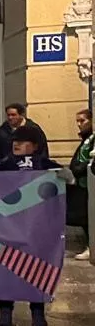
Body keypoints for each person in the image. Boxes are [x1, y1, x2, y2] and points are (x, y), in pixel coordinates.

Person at [0, 124, 63, 326]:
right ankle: (6, 310)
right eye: (14, 141)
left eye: (22, 141)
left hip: (37, 227)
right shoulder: (8, 163)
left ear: (35, 146)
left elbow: (58, 174)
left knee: (37, 268)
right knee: (7, 266)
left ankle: (37, 311)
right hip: (11, 226)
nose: (16, 145)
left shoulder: (43, 164)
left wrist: (64, 175)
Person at [70, 109, 92, 260]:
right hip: (82, 183)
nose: (79, 124)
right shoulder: (85, 139)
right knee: (84, 215)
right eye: (77, 121)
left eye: (82, 121)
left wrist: (78, 169)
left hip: (88, 180)